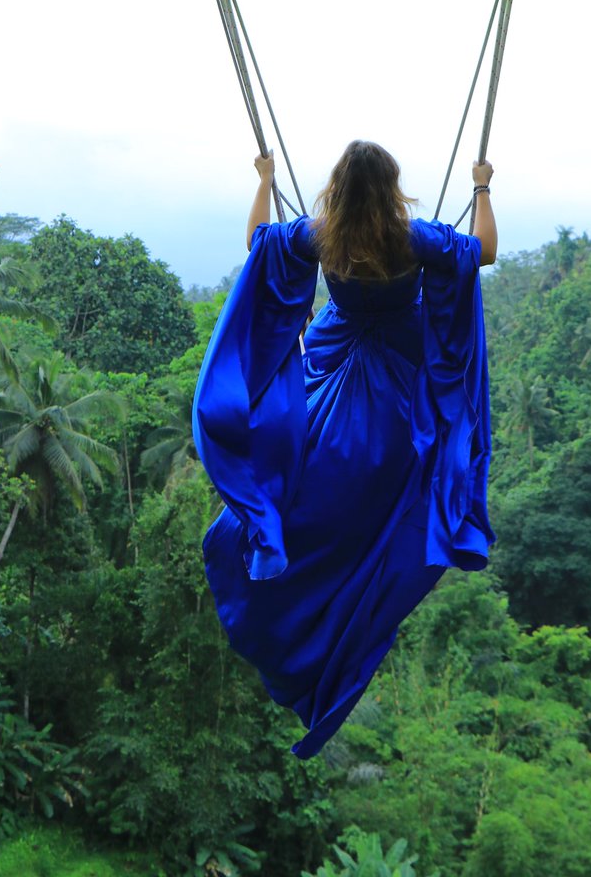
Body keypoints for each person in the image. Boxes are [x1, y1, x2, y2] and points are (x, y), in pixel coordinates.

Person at [193, 141, 497, 759]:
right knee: (397, 471)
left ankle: (279, 567)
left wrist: (265, 180)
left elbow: (260, 241)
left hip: (336, 347)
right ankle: (365, 569)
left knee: (303, 461)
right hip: (400, 360)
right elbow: (484, 252)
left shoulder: (322, 231)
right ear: (391, 187)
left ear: (338, 186)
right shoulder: (413, 238)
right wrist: (482, 186)